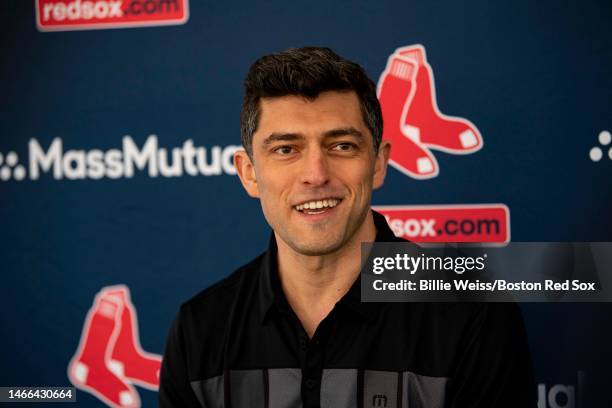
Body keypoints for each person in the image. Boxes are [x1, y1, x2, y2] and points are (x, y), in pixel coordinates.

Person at [159, 47, 536, 408]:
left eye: (341, 146)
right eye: (286, 149)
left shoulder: (473, 315)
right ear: (249, 174)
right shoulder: (200, 330)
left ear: (378, 163)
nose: (315, 175)